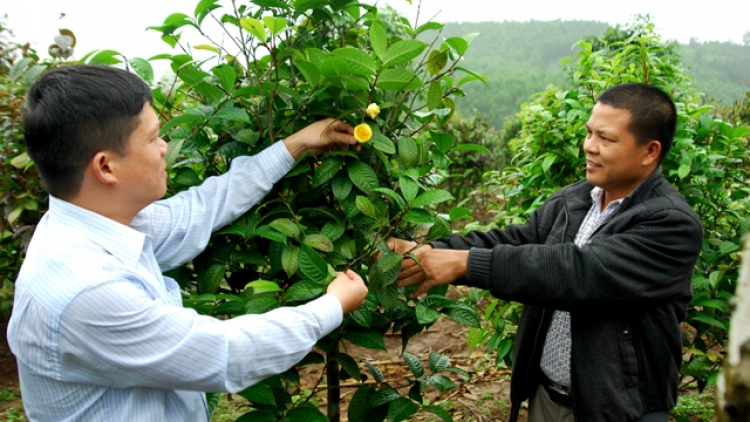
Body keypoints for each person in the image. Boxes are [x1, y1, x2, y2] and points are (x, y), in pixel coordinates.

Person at [7, 64, 368, 422]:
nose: (165, 147)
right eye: (152, 138)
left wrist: (296, 144)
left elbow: (199, 210)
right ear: (105, 167)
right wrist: (332, 305)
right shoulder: (85, 289)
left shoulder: (90, 223)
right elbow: (227, 353)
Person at [387, 83, 702, 422]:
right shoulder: (578, 198)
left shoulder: (671, 224)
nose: (589, 147)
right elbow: (517, 240)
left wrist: (465, 263)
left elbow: (579, 272)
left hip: (620, 410)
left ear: (649, 151)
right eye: (589, 133)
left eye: (605, 139)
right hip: (549, 398)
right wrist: (431, 250)